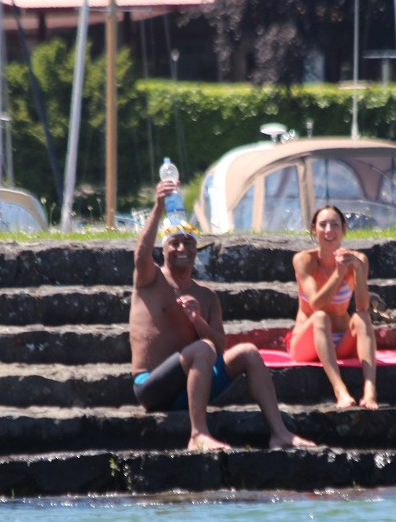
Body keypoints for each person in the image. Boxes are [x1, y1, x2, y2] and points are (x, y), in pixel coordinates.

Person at [130, 178, 316, 451]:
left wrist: (198, 320)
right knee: (202, 349)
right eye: (175, 243)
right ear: (164, 248)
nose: (182, 249)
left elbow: (218, 346)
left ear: (196, 250)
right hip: (152, 387)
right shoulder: (150, 279)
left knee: (248, 352)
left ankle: (279, 433)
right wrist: (158, 207)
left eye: (188, 243)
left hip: (191, 386)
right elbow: (140, 257)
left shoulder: (206, 295)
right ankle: (197, 434)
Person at [287, 205, 378, 409]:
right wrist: (339, 273)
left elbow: (362, 307)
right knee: (320, 317)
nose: (329, 230)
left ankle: (370, 390)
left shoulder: (358, 259)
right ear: (313, 229)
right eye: (323, 225)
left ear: (344, 229)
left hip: (341, 340)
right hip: (307, 342)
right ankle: (340, 390)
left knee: (362, 318)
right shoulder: (304, 260)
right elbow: (316, 304)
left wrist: (359, 272)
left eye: (335, 225)